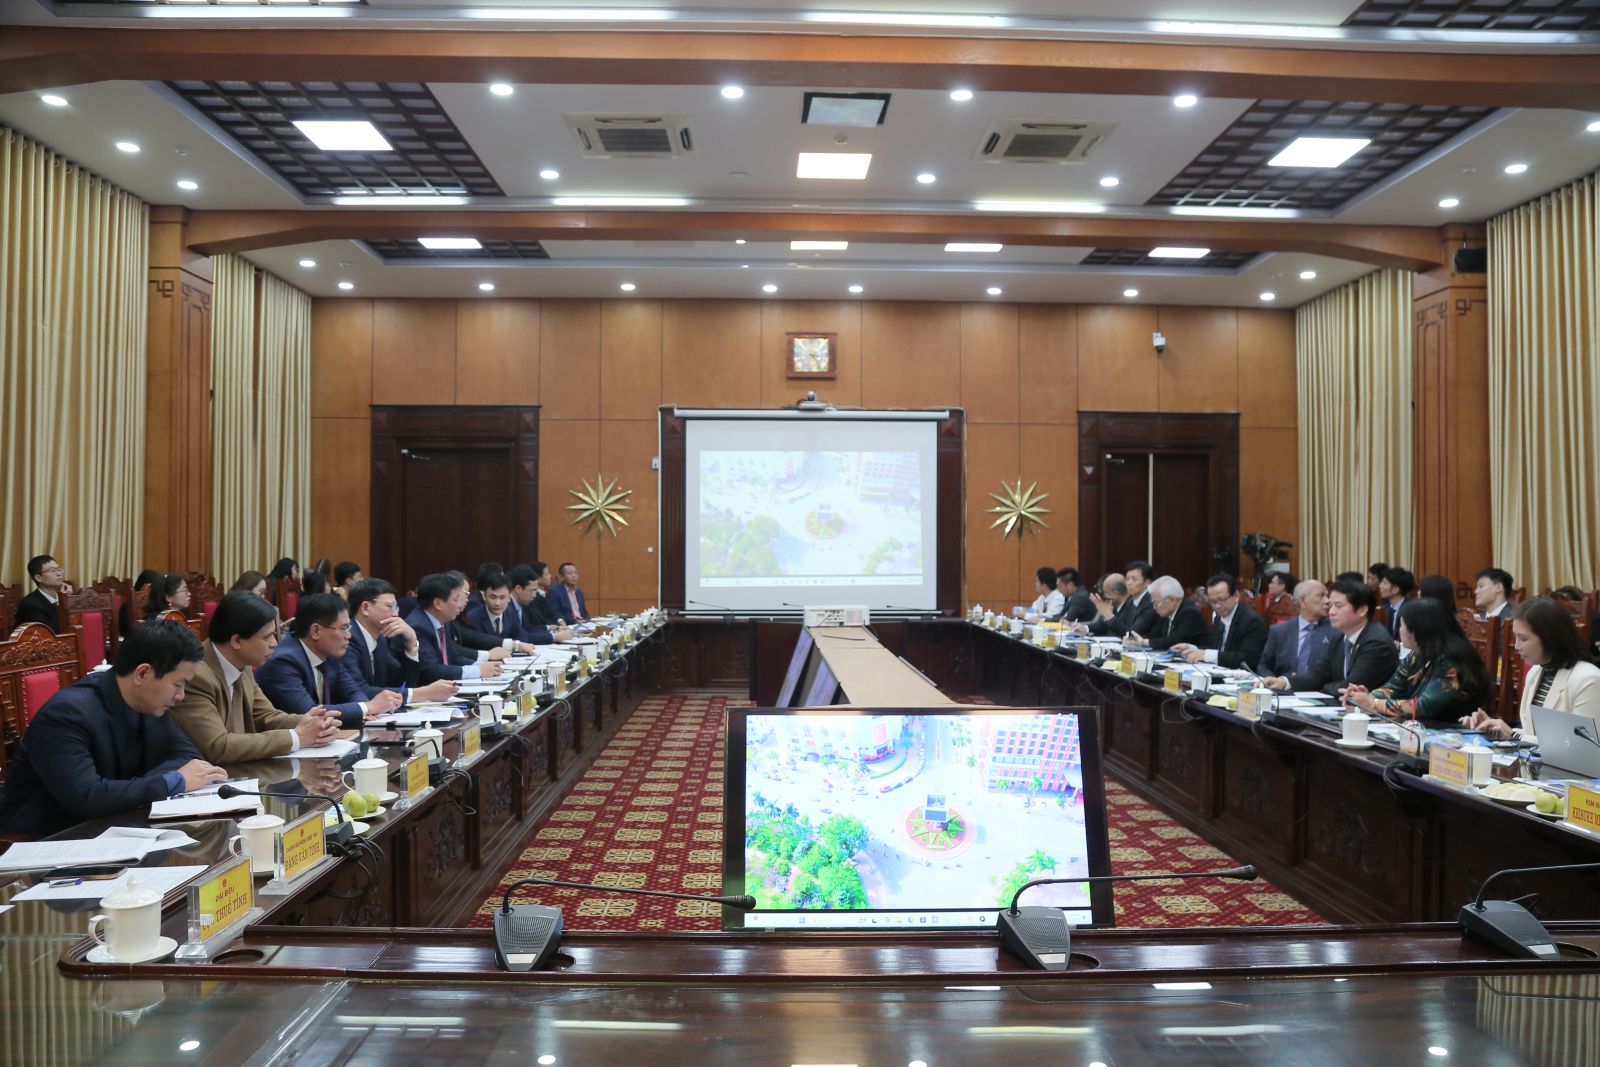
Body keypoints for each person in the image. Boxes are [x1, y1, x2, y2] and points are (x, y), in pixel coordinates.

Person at [0, 620, 225, 838]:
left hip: (118, 827)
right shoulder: (66, 715)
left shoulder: (151, 704)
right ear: (142, 674)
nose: (181, 695)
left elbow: (189, 756)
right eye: (177, 684)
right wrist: (170, 782)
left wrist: (131, 790)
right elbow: (86, 798)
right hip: (47, 839)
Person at [168, 592, 343, 764]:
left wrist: (313, 723)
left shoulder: (242, 663)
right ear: (236, 641)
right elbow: (217, 746)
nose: (275, 643)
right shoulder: (195, 675)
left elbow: (265, 716)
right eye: (267, 637)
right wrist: (296, 737)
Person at [1460, 598, 1600, 740]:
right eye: (1515, 637)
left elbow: (1582, 746)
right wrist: (1494, 729)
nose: (1516, 646)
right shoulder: (1536, 671)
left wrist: (1514, 735)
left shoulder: (1588, 679)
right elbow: (1532, 734)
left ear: (1549, 638)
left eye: (1523, 639)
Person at [256, 593, 403, 725]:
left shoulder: (330, 654)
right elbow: (308, 712)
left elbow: (353, 692)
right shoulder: (283, 661)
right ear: (316, 631)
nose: (349, 635)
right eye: (343, 628)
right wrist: (366, 708)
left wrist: (365, 709)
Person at [1343, 597, 1491, 727]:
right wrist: (1366, 696)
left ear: (1418, 631)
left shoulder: (1451, 661)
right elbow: (1393, 688)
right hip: (1421, 727)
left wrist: (1372, 703)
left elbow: (1424, 707)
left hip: (1453, 730)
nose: (1399, 630)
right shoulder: (1417, 655)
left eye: (1402, 625)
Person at [1264, 578, 1399, 697]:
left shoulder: (1376, 642)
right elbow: (1319, 674)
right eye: (1332, 605)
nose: (1331, 612)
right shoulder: (1339, 637)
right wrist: (1284, 682)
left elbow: (1349, 687)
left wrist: (1324, 687)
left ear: (1362, 610)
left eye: (1338, 606)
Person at [344, 579, 460, 703]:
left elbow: (402, 682)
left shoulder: (380, 639)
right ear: (366, 608)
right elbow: (360, 690)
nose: (396, 614)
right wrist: (424, 693)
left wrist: (412, 642)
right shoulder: (347, 639)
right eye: (390, 606)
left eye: (396, 607)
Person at [407, 572, 506, 683]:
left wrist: (481, 666)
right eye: (455, 599)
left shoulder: (442, 621)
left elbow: (453, 656)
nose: (459, 605)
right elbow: (431, 670)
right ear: (438, 603)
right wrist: (478, 671)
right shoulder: (418, 627)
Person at [1173, 573, 1269, 669]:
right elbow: (1213, 648)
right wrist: (1193, 649)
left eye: (1222, 600)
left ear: (1236, 596)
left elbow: (1247, 660)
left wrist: (1207, 655)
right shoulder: (1218, 618)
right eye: (1213, 601)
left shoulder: (1252, 621)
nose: (1217, 606)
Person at [461, 570, 562, 650]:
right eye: (493, 597)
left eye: (502, 598)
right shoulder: (472, 617)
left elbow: (522, 637)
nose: (497, 603)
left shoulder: (509, 612)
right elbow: (478, 645)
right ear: (484, 597)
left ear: (509, 597)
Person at [1259, 579, 1335, 678]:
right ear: (1303, 601)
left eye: (1327, 596)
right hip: (1283, 686)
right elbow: (1263, 666)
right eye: (1321, 596)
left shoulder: (1335, 631)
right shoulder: (1279, 631)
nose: (1328, 601)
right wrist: (1273, 681)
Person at [1122, 575, 1205, 651]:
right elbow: (1155, 635)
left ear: (1172, 600)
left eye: (1156, 602)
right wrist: (1135, 640)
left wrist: (1144, 642)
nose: (1154, 607)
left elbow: (1175, 641)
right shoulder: (1167, 613)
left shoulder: (1190, 613)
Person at [13, 554, 73, 630]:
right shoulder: (30, 604)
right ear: (39, 578)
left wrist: (67, 599)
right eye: (52, 570)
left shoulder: (60, 598)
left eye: (59, 569)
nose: (59, 574)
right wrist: (64, 602)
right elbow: (53, 631)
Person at [1120, 561, 1160, 638]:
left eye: (1134, 579)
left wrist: (1109, 616)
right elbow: (1121, 624)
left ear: (1147, 582)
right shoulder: (1130, 600)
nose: (1129, 583)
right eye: (1127, 579)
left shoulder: (1151, 602)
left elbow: (1134, 632)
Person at [520, 561, 563, 628]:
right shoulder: (531, 599)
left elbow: (554, 612)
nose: (550, 576)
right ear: (538, 578)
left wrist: (560, 620)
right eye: (547, 574)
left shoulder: (550, 593)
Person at [1377, 567, 1415, 642]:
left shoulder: (1411, 610)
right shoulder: (1384, 609)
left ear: (1395, 589)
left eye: (1384, 583)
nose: (1380, 586)